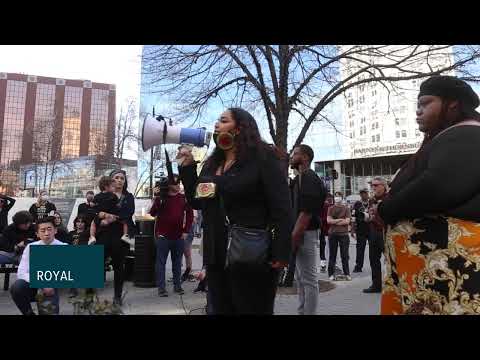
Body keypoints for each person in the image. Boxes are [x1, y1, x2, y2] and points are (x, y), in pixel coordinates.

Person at [378, 75, 480, 314]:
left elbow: (438, 186)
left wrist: (385, 210)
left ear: (452, 104)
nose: (418, 111)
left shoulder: (466, 133)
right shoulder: (450, 136)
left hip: (447, 271)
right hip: (431, 272)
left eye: (425, 103)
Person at [178, 107, 292, 314]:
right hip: (216, 255)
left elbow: (282, 207)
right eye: (217, 121)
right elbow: (198, 202)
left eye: (223, 120)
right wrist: (187, 168)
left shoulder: (264, 158)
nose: (216, 124)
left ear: (239, 128)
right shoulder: (212, 165)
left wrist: (281, 252)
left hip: (253, 254)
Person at [290, 144, 327, 315]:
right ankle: (302, 311)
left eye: (295, 153)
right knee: (301, 279)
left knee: (309, 280)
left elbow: (306, 213)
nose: (292, 156)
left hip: (305, 233)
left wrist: (295, 235)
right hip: (300, 233)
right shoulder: (299, 179)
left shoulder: (309, 178)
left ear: (305, 157)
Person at [90, 169, 135, 306]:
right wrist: (101, 217)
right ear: (110, 180)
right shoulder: (101, 196)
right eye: (116, 177)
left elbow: (128, 214)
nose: (119, 180)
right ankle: (89, 294)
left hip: (120, 236)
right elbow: (92, 213)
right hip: (102, 235)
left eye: (122, 178)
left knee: (118, 267)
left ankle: (117, 296)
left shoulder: (128, 197)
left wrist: (111, 219)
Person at [10, 216, 67, 315]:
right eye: (43, 230)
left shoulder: (63, 247)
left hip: (51, 287)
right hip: (33, 283)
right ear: (37, 234)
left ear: (55, 231)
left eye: (49, 229)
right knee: (17, 287)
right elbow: (21, 272)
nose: (46, 233)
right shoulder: (31, 247)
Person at [150, 174, 193, 296]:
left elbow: (189, 215)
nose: (178, 185)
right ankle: (161, 288)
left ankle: (177, 286)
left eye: (179, 183)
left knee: (177, 262)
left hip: (178, 236)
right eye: (176, 183)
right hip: (163, 236)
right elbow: (152, 213)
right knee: (161, 262)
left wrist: (186, 231)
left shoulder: (183, 198)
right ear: (169, 185)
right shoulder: (161, 198)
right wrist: (158, 199)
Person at [362, 177, 387, 293]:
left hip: (385, 232)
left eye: (376, 185)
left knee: (390, 260)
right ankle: (376, 285)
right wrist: (367, 217)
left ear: (383, 186)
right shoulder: (371, 200)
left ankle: (394, 285)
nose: (373, 188)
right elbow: (371, 215)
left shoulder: (389, 198)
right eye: (372, 185)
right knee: (373, 260)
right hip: (373, 232)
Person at [327, 192, 352, 281]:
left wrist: (335, 221)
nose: (337, 198)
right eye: (336, 196)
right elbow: (328, 221)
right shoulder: (330, 208)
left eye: (339, 196)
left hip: (344, 234)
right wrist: (340, 220)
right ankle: (331, 274)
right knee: (332, 255)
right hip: (332, 234)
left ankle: (347, 273)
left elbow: (347, 221)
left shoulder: (346, 208)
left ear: (342, 198)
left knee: (344, 255)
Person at [68, 215, 90, 297]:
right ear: (75, 223)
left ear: (85, 224)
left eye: (82, 222)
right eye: (78, 222)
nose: (80, 224)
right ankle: (73, 289)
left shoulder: (87, 233)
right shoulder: (71, 233)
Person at [351, 189, 370, 273]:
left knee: (374, 249)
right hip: (360, 229)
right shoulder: (357, 204)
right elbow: (353, 217)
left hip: (371, 228)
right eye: (361, 193)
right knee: (360, 248)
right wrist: (352, 229)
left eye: (365, 193)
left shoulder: (372, 202)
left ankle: (374, 265)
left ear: (367, 193)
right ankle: (358, 266)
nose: (363, 195)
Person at [319, 193, 334, 272]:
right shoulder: (327, 206)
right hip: (325, 229)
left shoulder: (329, 206)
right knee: (326, 247)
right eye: (329, 198)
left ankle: (324, 263)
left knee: (326, 247)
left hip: (328, 229)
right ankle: (324, 263)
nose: (330, 200)